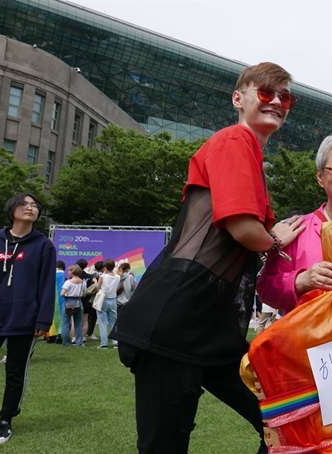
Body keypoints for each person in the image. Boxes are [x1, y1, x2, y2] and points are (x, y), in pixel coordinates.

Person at [114, 62, 304, 454]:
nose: (278, 102)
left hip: (211, 330)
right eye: (267, 93)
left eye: (286, 97)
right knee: (163, 446)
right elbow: (243, 229)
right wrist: (276, 240)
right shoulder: (236, 140)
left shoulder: (249, 153)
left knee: (284, 420)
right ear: (239, 99)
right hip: (176, 322)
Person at [257, 133, 332, 314]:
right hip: (309, 340)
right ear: (320, 177)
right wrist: (302, 281)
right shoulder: (294, 230)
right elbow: (266, 289)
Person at [0, 193, 56, 445]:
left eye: (35, 206)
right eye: (24, 204)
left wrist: (42, 321)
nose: (30, 208)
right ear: (12, 210)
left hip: (24, 319)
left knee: (15, 371)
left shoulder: (43, 245)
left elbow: (46, 284)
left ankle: (5, 419)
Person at [60, 265, 87, 347]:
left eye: (69, 270)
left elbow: (62, 293)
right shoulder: (83, 282)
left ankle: (66, 342)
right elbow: (83, 294)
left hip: (68, 302)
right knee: (78, 324)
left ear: (72, 272)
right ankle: (79, 342)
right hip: (78, 302)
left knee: (66, 323)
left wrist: (67, 295)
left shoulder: (68, 282)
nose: (68, 272)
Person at [95, 259, 119, 349]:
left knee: (102, 323)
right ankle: (116, 342)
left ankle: (104, 343)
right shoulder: (117, 277)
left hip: (103, 299)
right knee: (113, 322)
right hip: (113, 299)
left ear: (105, 267)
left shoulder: (102, 277)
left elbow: (97, 288)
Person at [76, 258, 97, 341]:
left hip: (77, 300)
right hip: (87, 301)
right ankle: (83, 337)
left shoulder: (75, 276)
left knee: (76, 321)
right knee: (85, 320)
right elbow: (95, 285)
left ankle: (75, 337)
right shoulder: (90, 277)